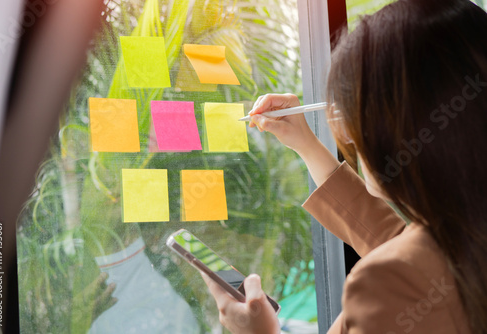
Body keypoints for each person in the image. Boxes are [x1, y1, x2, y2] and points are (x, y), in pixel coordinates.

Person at [201, 0, 487, 333]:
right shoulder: (462, 232)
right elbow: (402, 241)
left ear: (390, 127)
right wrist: (306, 144)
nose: (348, 134)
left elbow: (408, 262)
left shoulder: (389, 284)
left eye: (351, 112)